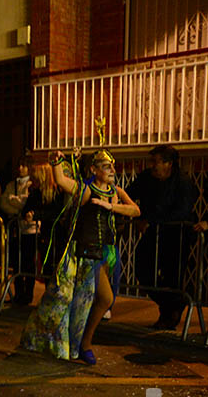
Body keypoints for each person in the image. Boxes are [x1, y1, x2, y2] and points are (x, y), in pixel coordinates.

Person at [21, 149, 140, 364]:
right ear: (94, 170)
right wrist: (56, 162)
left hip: (106, 253)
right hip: (85, 253)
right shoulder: (86, 190)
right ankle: (81, 345)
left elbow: (135, 211)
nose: (112, 170)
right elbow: (61, 181)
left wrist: (111, 206)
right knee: (90, 300)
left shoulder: (115, 192)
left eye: (112, 166)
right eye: (106, 166)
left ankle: (82, 344)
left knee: (99, 300)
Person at [126, 144, 199, 329]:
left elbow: (182, 212)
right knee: (143, 270)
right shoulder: (146, 178)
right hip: (153, 232)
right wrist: (138, 215)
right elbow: (128, 193)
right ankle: (175, 305)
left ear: (169, 164)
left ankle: (168, 317)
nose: (153, 166)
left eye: (156, 162)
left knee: (171, 277)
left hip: (176, 235)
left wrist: (150, 220)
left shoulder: (183, 182)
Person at [0, 160, 34, 304]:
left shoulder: (32, 184)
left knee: (28, 263)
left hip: (30, 230)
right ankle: (19, 293)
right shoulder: (11, 184)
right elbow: (3, 203)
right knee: (16, 262)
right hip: (16, 227)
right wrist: (18, 209)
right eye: (18, 165)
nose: (20, 168)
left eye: (23, 165)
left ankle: (28, 294)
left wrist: (14, 200)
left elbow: (27, 203)